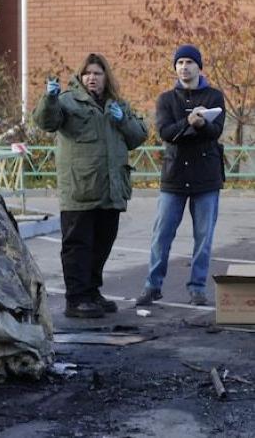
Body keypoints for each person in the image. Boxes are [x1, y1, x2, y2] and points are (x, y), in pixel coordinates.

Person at [33, 53, 148, 318]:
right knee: (78, 246)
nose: (92, 78)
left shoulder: (117, 104)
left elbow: (138, 136)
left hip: (111, 189)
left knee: (102, 243)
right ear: (80, 77)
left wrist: (123, 120)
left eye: (97, 73)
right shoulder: (68, 101)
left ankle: (92, 291)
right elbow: (46, 122)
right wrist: (48, 98)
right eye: (87, 74)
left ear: (106, 77)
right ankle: (76, 299)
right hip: (80, 189)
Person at [136, 44, 225, 307]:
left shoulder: (214, 96)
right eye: (179, 63)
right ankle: (153, 285)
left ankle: (197, 287)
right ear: (175, 68)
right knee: (161, 234)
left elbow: (216, 131)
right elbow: (165, 132)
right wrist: (189, 123)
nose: (184, 67)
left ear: (199, 66)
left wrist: (203, 124)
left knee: (203, 237)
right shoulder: (166, 99)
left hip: (206, 178)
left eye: (189, 62)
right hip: (174, 177)